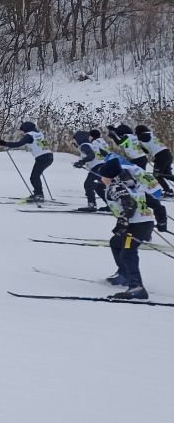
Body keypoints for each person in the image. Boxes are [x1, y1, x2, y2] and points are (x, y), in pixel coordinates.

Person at [96, 158, 154, 301]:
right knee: (116, 242)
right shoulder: (128, 182)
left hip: (136, 226)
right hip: (143, 222)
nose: (101, 179)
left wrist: (123, 222)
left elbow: (129, 204)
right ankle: (124, 275)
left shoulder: (115, 187)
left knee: (128, 253)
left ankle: (137, 287)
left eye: (102, 176)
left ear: (109, 176)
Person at [0, 121, 54, 201]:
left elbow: (19, 144)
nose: (23, 132)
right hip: (48, 156)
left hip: (42, 158)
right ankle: (38, 193)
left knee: (34, 177)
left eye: (23, 130)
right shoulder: (39, 134)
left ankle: (39, 195)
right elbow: (41, 145)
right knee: (36, 176)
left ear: (26, 129)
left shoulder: (30, 136)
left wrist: (5, 143)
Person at [72, 129, 109, 211]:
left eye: (74, 140)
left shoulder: (84, 145)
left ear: (79, 139)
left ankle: (91, 205)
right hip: (103, 166)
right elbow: (106, 154)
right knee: (99, 187)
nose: (74, 143)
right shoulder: (93, 145)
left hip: (97, 167)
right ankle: (110, 205)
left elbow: (91, 156)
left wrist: (82, 162)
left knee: (88, 184)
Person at [136, 125, 173, 193]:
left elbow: (143, 138)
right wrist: (141, 146)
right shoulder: (149, 135)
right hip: (166, 154)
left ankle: (168, 191)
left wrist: (135, 139)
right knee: (167, 174)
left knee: (157, 174)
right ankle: (168, 190)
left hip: (161, 156)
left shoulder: (145, 135)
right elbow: (146, 151)